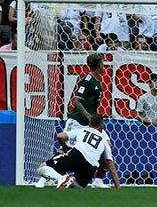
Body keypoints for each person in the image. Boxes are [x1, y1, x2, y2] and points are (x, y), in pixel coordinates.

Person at [35, 53, 110, 188]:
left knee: (108, 145)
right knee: (64, 151)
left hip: (89, 124)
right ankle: (45, 177)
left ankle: (98, 179)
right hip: (76, 121)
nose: (104, 64)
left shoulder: (96, 80)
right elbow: (76, 102)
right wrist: (89, 117)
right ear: (99, 64)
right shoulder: (87, 81)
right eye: (103, 62)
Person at [37, 114, 120, 189]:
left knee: (42, 167)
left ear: (90, 124)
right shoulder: (105, 141)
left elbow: (60, 136)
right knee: (77, 186)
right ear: (102, 125)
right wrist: (118, 187)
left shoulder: (82, 130)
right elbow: (111, 166)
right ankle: (69, 181)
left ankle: (61, 178)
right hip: (90, 167)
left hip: (77, 155)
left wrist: (65, 148)